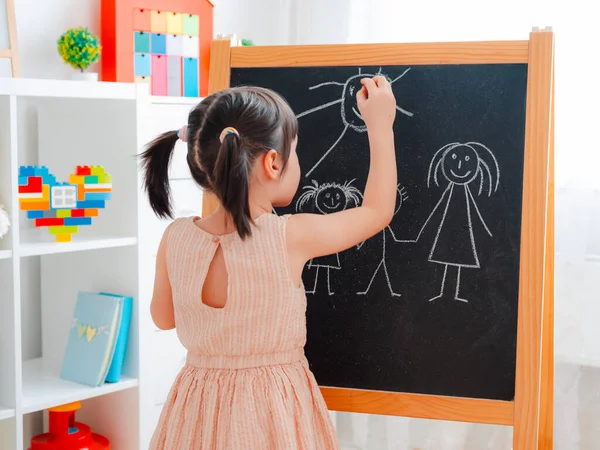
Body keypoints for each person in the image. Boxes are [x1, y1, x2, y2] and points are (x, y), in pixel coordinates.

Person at [139, 76, 398, 450]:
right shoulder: (288, 236)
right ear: (273, 163)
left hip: (196, 411)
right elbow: (376, 211)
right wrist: (380, 124)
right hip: (270, 412)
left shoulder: (176, 236)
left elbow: (163, 318)